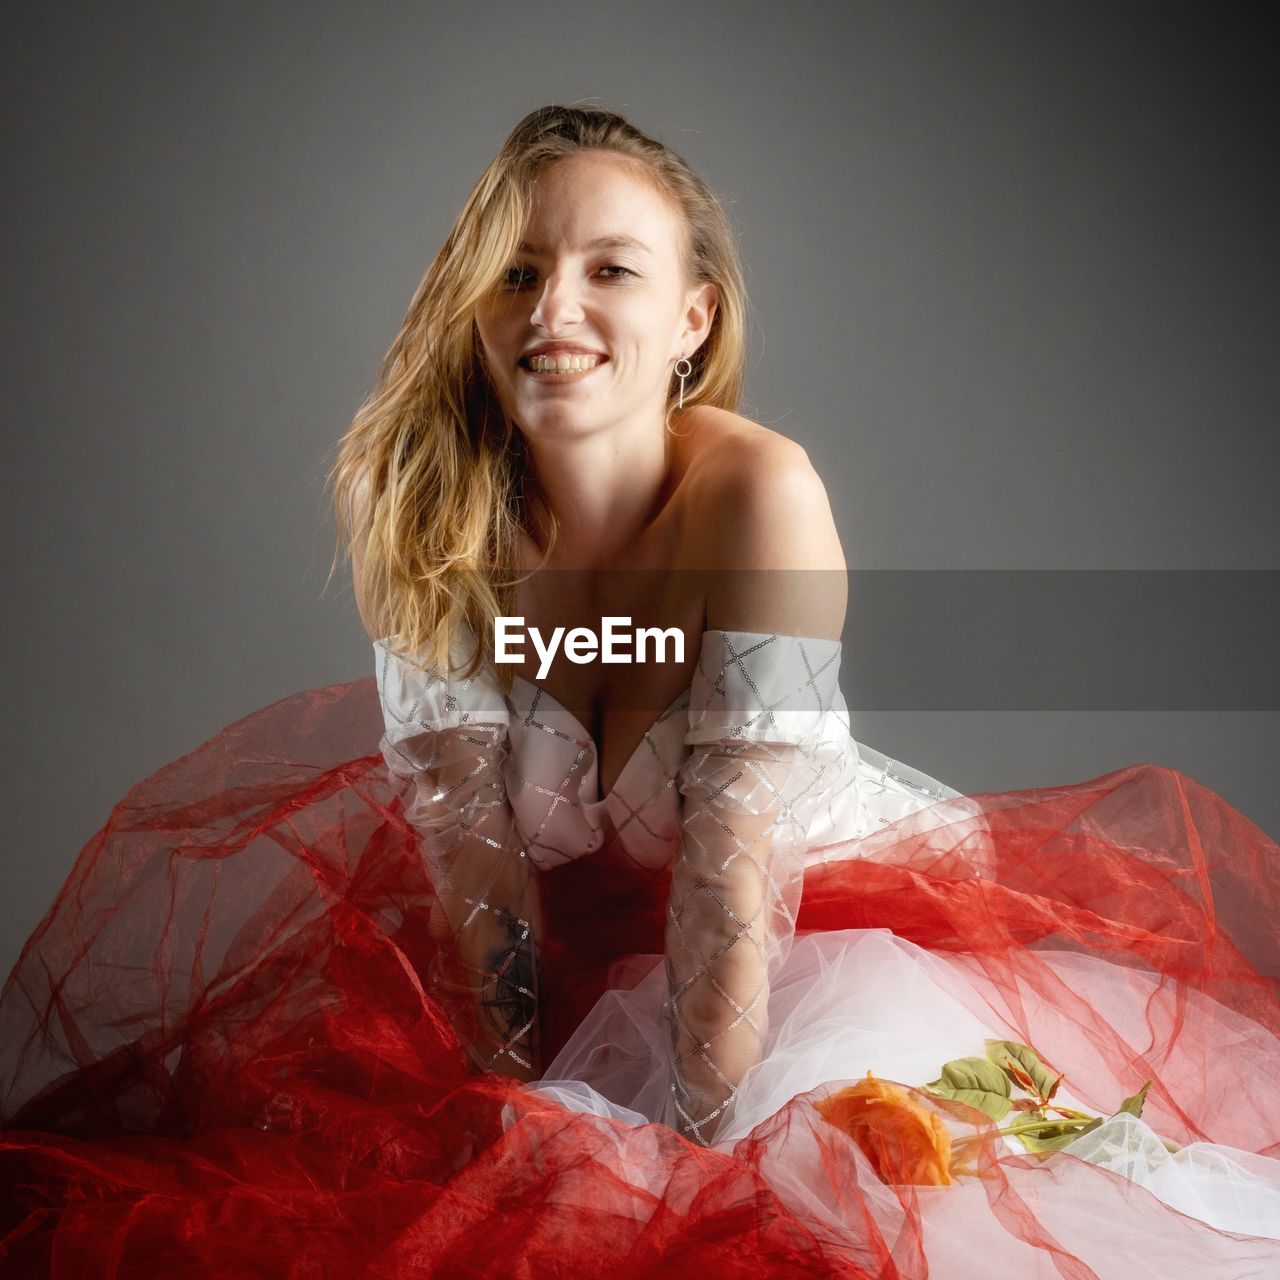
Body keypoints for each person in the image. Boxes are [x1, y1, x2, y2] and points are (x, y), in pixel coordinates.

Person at [1, 104, 1277, 1277]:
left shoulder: (757, 496)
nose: (554, 305)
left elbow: (730, 870)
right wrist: (508, 1114)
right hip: (571, 971)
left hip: (812, 947)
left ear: (691, 320)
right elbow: (474, 859)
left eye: (609, 268)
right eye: (516, 269)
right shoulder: (416, 497)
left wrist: (690, 1182)